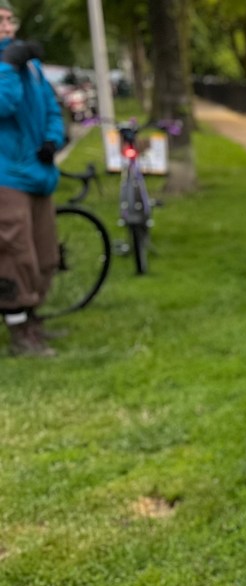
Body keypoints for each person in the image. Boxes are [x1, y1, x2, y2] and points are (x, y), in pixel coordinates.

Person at [0, 1, 66, 358]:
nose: (8, 27)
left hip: (39, 174)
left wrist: (53, 139)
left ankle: (34, 320)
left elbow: (53, 108)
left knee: (44, 252)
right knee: (14, 254)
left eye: (10, 20)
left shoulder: (33, 66)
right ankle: (19, 332)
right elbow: (3, 104)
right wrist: (8, 65)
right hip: (6, 175)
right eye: (0, 21)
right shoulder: (11, 65)